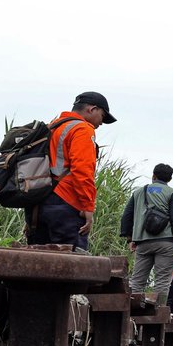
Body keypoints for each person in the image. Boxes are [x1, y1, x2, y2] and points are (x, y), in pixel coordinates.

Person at [25, 91, 116, 251]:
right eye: (102, 116)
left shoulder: (52, 127)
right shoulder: (81, 129)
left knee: (37, 263)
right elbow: (82, 170)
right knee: (72, 264)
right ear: (92, 109)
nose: (101, 123)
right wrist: (88, 207)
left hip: (37, 204)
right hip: (64, 203)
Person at [120, 163, 173, 307]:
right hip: (165, 242)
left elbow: (127, 216)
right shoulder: (172, 193)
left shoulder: (138, 192)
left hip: (142, 242)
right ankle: (158, 312)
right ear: (169, 179)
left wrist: (130, 238)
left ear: (153, 176)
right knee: (162, 281)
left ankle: (133, 310)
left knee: (137, 280)